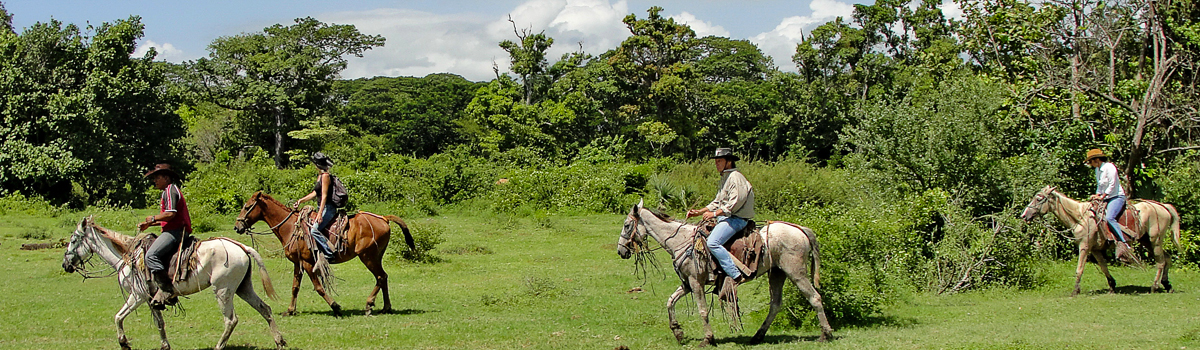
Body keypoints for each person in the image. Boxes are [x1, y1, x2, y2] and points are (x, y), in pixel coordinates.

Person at [687, 148, 756, 284]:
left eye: (719, 161)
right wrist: (700, 211)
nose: (716, 164)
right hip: (727, 217)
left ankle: (735, 274)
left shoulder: (735, 177)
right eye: (716, 161)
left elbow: (735, 202)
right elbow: (718, 201)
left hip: (737, 219)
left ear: (729, 162)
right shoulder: (726, 178)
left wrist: (713, 214)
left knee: (712, 242)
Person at [137, 163, 192, 310]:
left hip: (176, 232)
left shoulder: (170, 191)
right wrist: (150, 225)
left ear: (166, 178)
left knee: (151, 256)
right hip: (174, 228)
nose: (155, 181)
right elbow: (169, 218)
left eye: (157, 178)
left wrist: (153, 218)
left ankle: (167, 290)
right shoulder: (169, 190)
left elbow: (171, 214)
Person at [1084, 149, 1134, 260]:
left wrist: (1102, 196)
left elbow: (1112, 184)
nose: (1090, 164)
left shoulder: (1110, 167)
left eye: (1091, 161)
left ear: (1097, 160)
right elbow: (1100, 186)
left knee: (1110, 218)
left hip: (1116, 197)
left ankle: (1123, 243)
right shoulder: (1098, 170)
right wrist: (1096, 195)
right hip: (1106, 197)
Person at [295, 152, 337, 259]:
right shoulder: (320, 177)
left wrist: (319, 214)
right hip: (322, 207)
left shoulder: (325, 176)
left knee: (314, 231)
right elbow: (315, 193)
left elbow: (324, 196)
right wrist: (301, 200)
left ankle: (329, 253)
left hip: (328, 208)